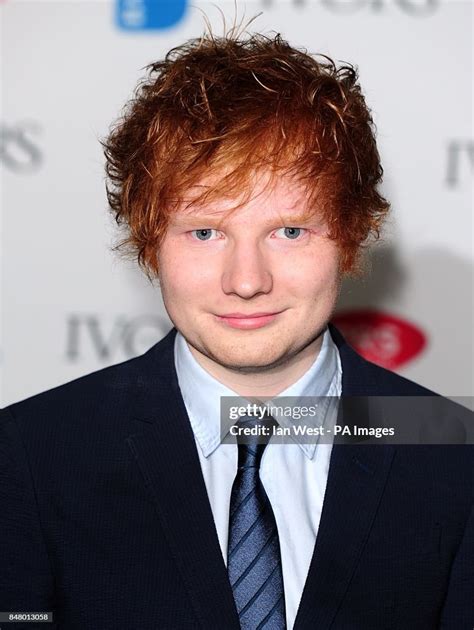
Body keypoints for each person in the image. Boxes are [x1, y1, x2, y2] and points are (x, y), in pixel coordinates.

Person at [1, 30, 473, 630]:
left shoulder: (452, 454)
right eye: (205, 232)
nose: (246, 280)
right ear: (150, 243)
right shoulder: (31, 456)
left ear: (351, 237)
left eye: (290, 231)